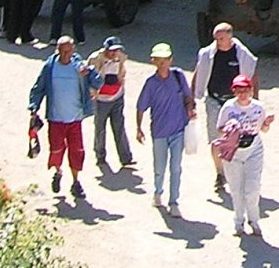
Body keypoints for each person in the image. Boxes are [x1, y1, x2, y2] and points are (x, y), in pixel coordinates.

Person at [192, 23, 258, 193]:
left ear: (230, 37)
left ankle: (236, 174)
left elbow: (252, 74)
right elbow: (198, 72)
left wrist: (255, 101)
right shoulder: (207, 53)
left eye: (221, 38)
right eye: (216, 38)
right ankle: (220, 173)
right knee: (216, 140)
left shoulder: (242, 54)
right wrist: (191, 98)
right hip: (214, 100)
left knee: (239, 140)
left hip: (235, 103)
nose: (218, 42)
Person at [27, 35, 93, 201]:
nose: (66, 56)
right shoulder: (50, 67)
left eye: (69, 52)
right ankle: (58, 172)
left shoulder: (79, 66)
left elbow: (97, 82)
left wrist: (90, 73)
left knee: (77, 151)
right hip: (56, 118)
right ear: (58, 51)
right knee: (56, 149)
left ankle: (76, 182)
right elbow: (39, 87)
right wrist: (34, 107)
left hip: (75, 117)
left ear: (73, 51)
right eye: (63, 52)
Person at [134, 42, 196, 215]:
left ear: (171, 60)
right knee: (159, 168)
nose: (162, 64)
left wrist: (190, 109)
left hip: (178, 130)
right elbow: (141, 107)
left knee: (176, 167)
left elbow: (188, 96)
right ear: (153, 61)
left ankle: (173, 202)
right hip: (159, 132)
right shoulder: (151, 83)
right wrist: (138, 128)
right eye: (159, 60)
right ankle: (158, 192)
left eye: (165, 60)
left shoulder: (178, 76)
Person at [216, 75, 274, 237]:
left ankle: (254, 221)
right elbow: (219, 129)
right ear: (234, 91)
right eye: (239, 90)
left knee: (253, 188)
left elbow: (263, 130)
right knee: (236, 189)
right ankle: (238, 222)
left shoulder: (258, 108)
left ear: (251, 91)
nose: (243, 94)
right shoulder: (228, 108)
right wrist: (230, 129)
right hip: (233, 151)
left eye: (246, 90)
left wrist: (267, 123)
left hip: (253, 149)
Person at [85, 36, 134, 169]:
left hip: (117, 97)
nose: (114, 53)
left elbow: (122, 72)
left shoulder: (121, 57)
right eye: (111, 50)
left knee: (119, 126)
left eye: (116, 50)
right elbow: (88, 78)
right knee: (100, 128)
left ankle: (126, 158)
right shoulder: (96, 59)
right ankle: (100, 156)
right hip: (101, 99)